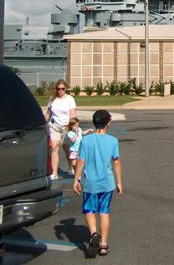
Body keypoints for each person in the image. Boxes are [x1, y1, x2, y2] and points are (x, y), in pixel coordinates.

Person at [73, 110, 122, 258]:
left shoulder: (86, 140)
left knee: (89, 209)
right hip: (107, 182)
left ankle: (94, 234)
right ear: (108, 123)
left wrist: (76, 179)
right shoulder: (113, 140)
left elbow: (81, 161)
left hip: (90, 182)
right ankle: (103, 245)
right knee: (104, 211)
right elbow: (116, 161)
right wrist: (119, 181)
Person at [45, 79, 77, 180]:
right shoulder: (52, 99)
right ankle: (54, 173)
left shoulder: (70, 99)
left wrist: (74, 128)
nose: (60, 91)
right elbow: (48, 114)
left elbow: (73, 114)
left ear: (65, 88)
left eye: (63, 89)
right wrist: (43, 123)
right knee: (54, 147)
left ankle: (71, 168)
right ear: (56, 89)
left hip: (66, 127)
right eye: (58, 89)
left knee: (67, 148)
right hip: (54, 126)